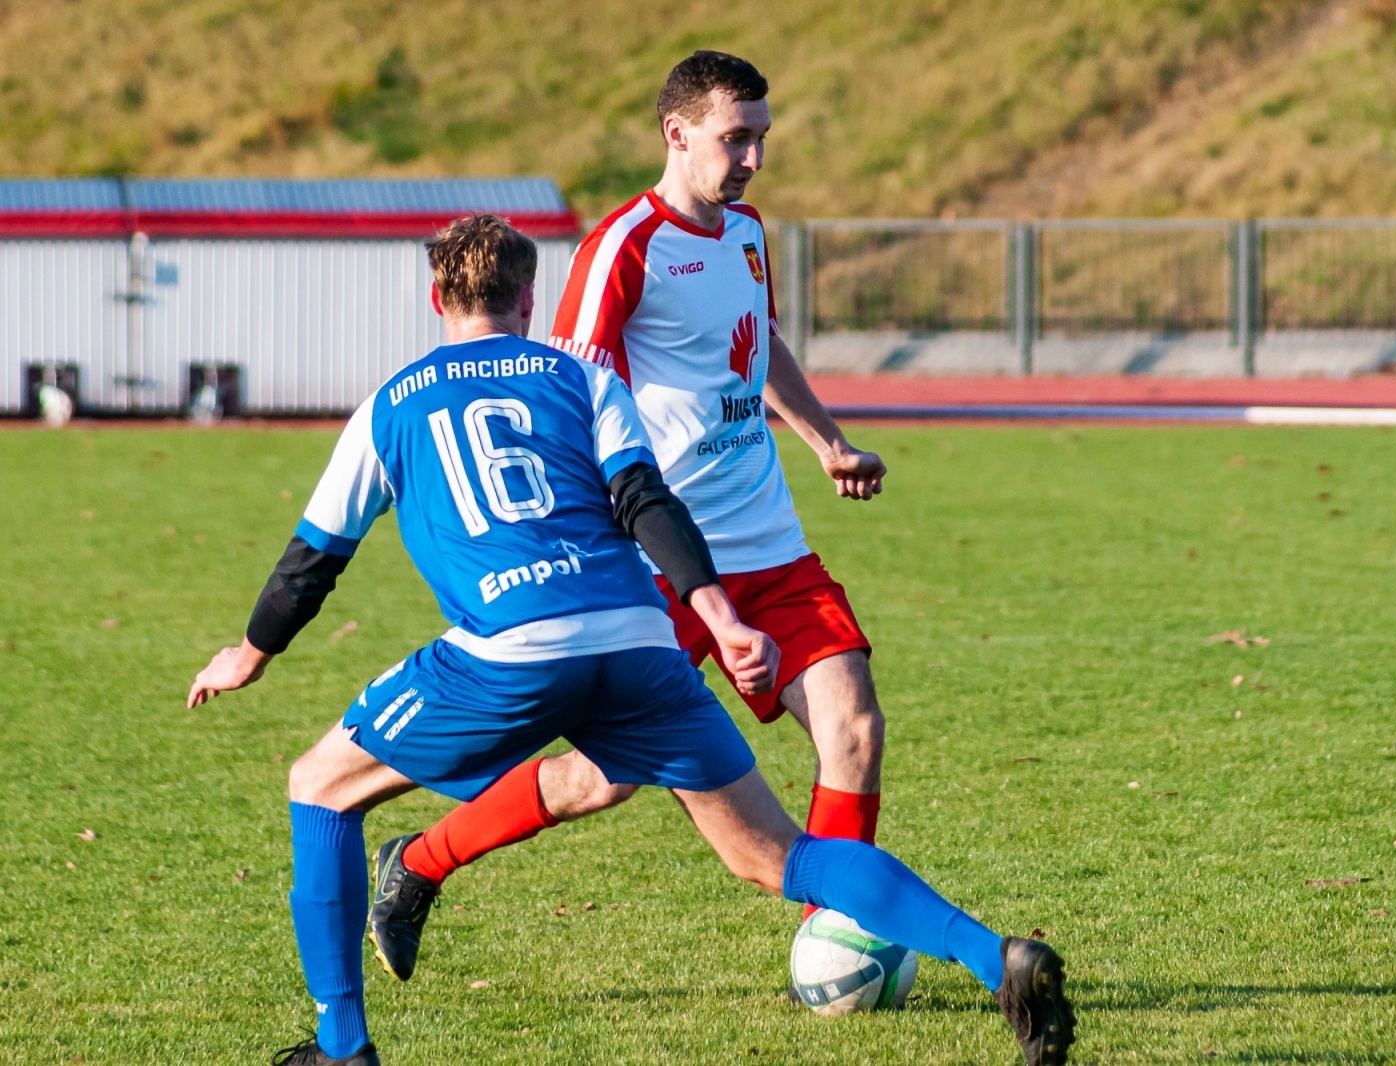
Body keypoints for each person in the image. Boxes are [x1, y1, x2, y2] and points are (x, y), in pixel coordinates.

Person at [187, 215, 1075, 1066]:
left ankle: (342, 1047)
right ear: (528, 299)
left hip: (511, 650)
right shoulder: (581, 379)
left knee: (320, 786)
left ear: (436, 300)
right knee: (778, 856)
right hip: (642, 640)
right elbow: (648, 502)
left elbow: (312, 562)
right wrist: (723, 619)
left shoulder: (389, 405)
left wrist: (249, 654)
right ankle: (995, 957)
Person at [374, 47, 897, 988]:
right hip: (661, 564)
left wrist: (827, 442)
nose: (753, 159)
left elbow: (759, 342)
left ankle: (837, 943)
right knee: (600, 779)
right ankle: (417, 862)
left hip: (771, 546)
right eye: (735, 139)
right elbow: (565, 392)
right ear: (677, 133)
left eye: (762, 139)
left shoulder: (747, 233)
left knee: (854, 726)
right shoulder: (623, 246)